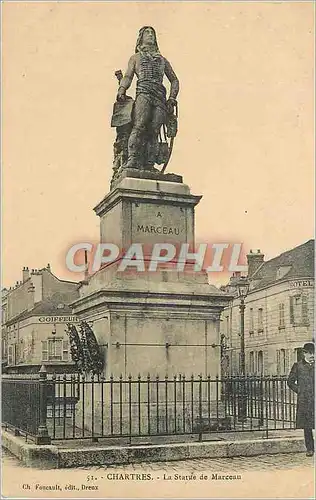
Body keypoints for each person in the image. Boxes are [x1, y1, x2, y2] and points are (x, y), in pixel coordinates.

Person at [116, 26, 179, 169]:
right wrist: (121, 89)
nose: (150, 35)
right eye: (147, 33)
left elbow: (174, 80)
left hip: (160, 97)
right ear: (141, 37)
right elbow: (128, 76)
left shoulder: (163, 60)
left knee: (154, 131)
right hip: (143, 93)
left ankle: (149, 163)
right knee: (139, 126)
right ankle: (132, 159)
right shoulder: (135, 58)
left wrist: (172, 97)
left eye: (152, 33)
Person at [287, 342, 315, 456]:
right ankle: (310, 449)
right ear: (304, 354)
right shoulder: (297, 366)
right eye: (309, 353)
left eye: (313, 353)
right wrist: (299, 391)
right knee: (307, 426)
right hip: (305, 401)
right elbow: (290, 382)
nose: (312, 355)